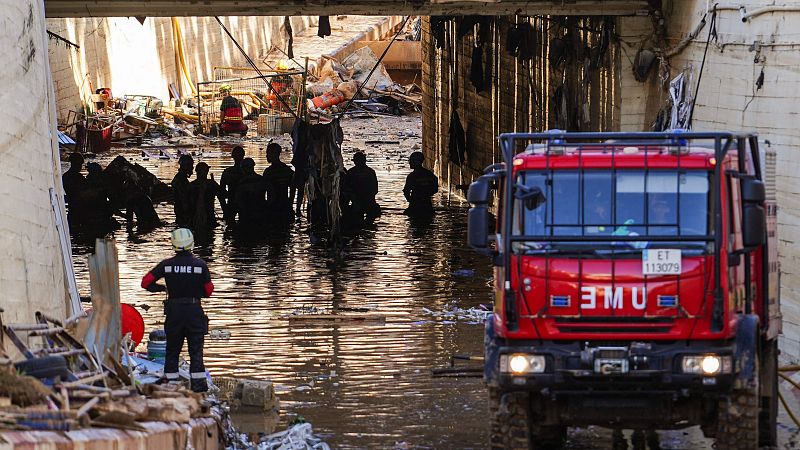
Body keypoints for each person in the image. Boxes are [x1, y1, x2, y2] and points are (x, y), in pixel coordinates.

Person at [141, 228, 213, 392]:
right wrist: (197, 292)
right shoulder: (200, 265)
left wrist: (162, 288)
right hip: (194, 311)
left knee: (172, 350)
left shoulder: (166, 265)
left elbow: (145, 283)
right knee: (196, 352)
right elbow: (209, 290)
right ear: (191, 243)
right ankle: (199, 389)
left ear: (173, 244)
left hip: (174, 313)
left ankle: (171, 387)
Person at [343, 151, 380, 226]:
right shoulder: (370, 172)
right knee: (368, 223)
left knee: (359, 222)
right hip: (363, 201)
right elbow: (375, 189)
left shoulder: (352, 172)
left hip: (362, 201)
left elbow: (346, 188)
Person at [262, 143, 295, 223]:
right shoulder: (287, 170)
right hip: (284, 205)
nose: (266, 156)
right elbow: (293, 188)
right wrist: (290, 203)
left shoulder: (268, 172)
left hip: (273, 207)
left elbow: (263, 191)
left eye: (268, 153)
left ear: (273, 154)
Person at [187, 162, 224, 232]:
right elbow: (222, 196)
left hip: (195, 218)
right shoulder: (211, 184)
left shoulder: (191, 185)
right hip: (206, 217)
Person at [402, 151, 439, 217]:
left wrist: (411, 201)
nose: (409, 163)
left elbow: (406, 191)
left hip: (415, 207)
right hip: (427, 206)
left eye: (411, 161)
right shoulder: (429, 174)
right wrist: (426, 194)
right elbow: (435, 189)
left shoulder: (412, 176)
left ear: (415, 162)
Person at [235, 158, 268, 226]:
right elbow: (272, 195)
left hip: (246, 214)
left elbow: (238, 199)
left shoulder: (242, 182)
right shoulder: (262, 179)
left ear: (244, 168)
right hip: (261, 212)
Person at [220, 146, 245, 223]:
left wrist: (224, 208)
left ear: (232, 156)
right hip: (242, 202)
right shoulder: (246, 172)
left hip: (233, 201)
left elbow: (222, 191)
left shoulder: (227, 172)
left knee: (230, 224)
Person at [172, 155, 194, 227]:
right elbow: (184, 198)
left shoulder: (180, 178)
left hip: (180, 210)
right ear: (186, 166)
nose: (192, 168)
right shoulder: (181, 180)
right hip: (183, 212)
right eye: (191, 165)